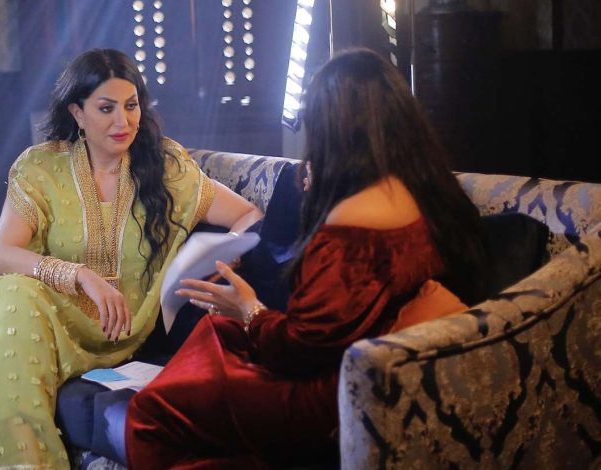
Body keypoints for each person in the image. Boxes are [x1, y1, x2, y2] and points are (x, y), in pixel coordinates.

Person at [125, 47, 488, 468]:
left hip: (333, 390)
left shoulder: (350, 228)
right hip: (366, 359)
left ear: (333, 129)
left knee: (148, 413)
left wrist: (249, 309)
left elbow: (303, 348)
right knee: (218, 333)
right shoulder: (422, 187)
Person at [0, 49, 262, 469]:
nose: (123, 122)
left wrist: (221, 261)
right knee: (14, 298)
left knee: (14, 305)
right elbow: (2, 255)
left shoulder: (166, 168)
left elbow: (249, 215)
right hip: (42, 313)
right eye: (106, 108)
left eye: (131, 106)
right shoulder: (41, 167)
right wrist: (81, 275)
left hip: (122, 330)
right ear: (77, 113)